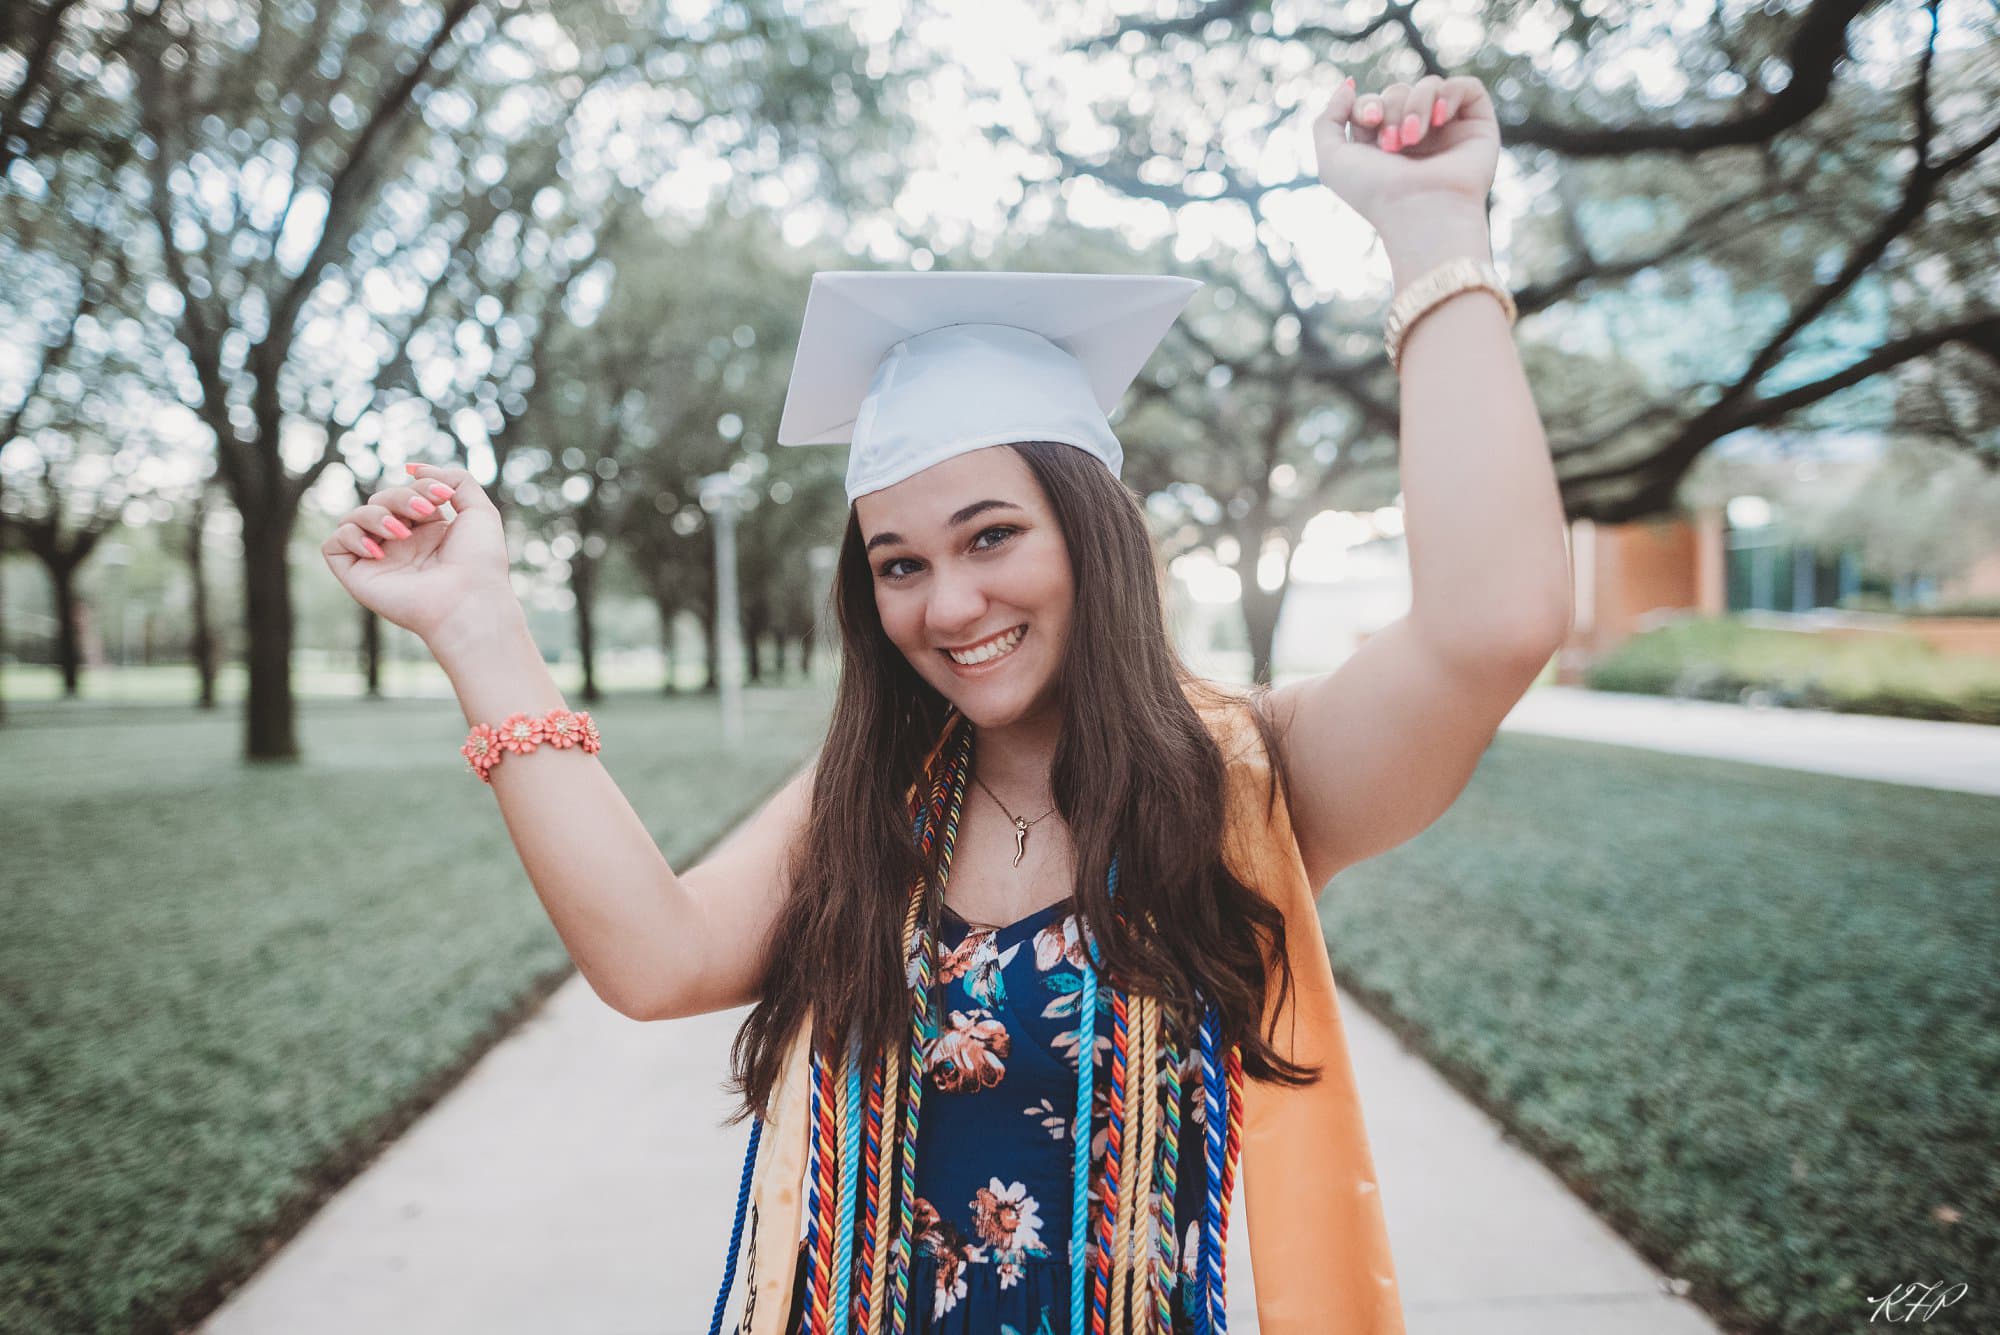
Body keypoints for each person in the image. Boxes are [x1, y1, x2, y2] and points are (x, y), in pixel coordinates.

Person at [320, 70, 1569, 1335]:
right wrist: (479, 626)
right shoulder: (871, 810)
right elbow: (656, 960)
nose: (948, 604)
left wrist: (1431, 229)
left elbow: (1490, 627)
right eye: (899, 564)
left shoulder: (1247, 779)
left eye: (990, 537)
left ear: (1093, 537)